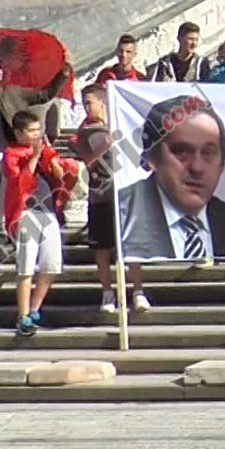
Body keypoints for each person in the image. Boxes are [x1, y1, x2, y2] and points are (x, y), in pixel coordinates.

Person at [0, 55, 73, 290]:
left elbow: (44, 95)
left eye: (0, 66)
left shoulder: (12, 94)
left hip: (3, 166)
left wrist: (63, 75)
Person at [117, 96, 225, 260]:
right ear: (152, 158)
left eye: (208, 153)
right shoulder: (119, 216)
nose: (197, 167)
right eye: (181, 152)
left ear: (222, 165)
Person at [71, 84, 147, 313]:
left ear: (103, 103)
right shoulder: (82, 135)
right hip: (100, 195)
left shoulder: (122, 124)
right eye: (84, 104)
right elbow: (89, 162)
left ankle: (138, 290)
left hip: (125, 192)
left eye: (90, 103)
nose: (86, 108)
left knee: (129, 243)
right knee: (102, 247)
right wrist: (107, 144)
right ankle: (107, 292)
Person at [3, 110, 77, 335]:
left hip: (48, 211)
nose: (36, 135)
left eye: (38, 130)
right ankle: (23, 314)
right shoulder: (11, 153)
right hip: (25, 211)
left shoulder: (45, 151)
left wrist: (56, 164)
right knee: (26, 265)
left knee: (52, 264)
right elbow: (19, 180)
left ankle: (35, 308)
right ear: (19, 133)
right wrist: (34, 157)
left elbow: (61, 175)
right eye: (31, 131)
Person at [149, 22, 214, 82]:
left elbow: (205, 85)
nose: (194, 43)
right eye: (190, 39)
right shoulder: (164, 63)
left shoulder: (201, 62)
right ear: (179, 38)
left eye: (196, 40)